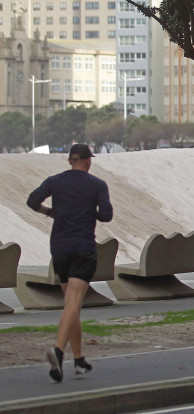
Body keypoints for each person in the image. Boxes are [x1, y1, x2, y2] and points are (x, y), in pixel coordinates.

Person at [27, 143, 113, 382]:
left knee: (71, 305)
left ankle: (78, 360)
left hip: (60, 248)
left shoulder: (55, 181)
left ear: (69, 161)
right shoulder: (97, 185)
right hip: (83, 248)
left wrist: (50, 212)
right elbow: (106, 215)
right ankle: (58, 350)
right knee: (74, 303)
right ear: (88, 161)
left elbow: (32, 201)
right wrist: (88, 211)